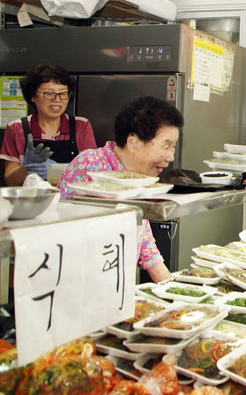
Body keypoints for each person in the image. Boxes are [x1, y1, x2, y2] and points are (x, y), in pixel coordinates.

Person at [57, 96, 184, 283]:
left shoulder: (139, 177)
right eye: (166, 147)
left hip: (116, 284)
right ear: (133, 143)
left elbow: (144, 239)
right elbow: (63, 233)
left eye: (173, 148)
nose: (170, 157)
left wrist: (171, 288)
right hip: (80, 283)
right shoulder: (90, 164)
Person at [0, 63, 96, 185]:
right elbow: (10, 181)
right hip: (33, 200)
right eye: (49, 94)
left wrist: (59, 171)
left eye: (63, 93)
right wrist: (26, 167)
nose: (57, 100)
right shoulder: (15, 128)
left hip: (71, 200)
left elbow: (93, 173)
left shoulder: (81, 125)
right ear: (33, 96)